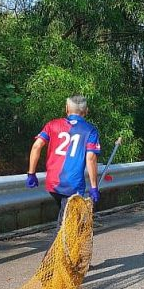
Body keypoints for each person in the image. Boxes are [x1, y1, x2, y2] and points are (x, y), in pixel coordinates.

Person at [25, 95, 101, 226]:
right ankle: (62, 245)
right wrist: (94, 187)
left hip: (53, 182)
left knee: (67, 219)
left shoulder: (52, 125)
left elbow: (37, 145)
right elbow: (91, 159)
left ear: (66, 108)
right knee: (67, 227)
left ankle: (66, 241)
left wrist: (31, 173)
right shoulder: (90, 130)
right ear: (86, 111)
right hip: (73, 184)